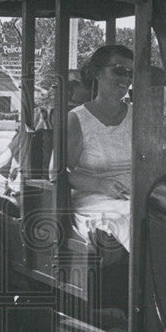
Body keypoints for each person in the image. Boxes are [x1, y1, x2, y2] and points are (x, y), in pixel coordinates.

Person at [66, 44, 134, 253]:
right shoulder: (78, 118)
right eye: (118, 70)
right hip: (95, 198)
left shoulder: (138, 116)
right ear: (96, 72)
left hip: (134, 193)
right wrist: (100, 184)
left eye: (131, 73)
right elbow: (57, 173)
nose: (126, 79)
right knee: (136, 216)